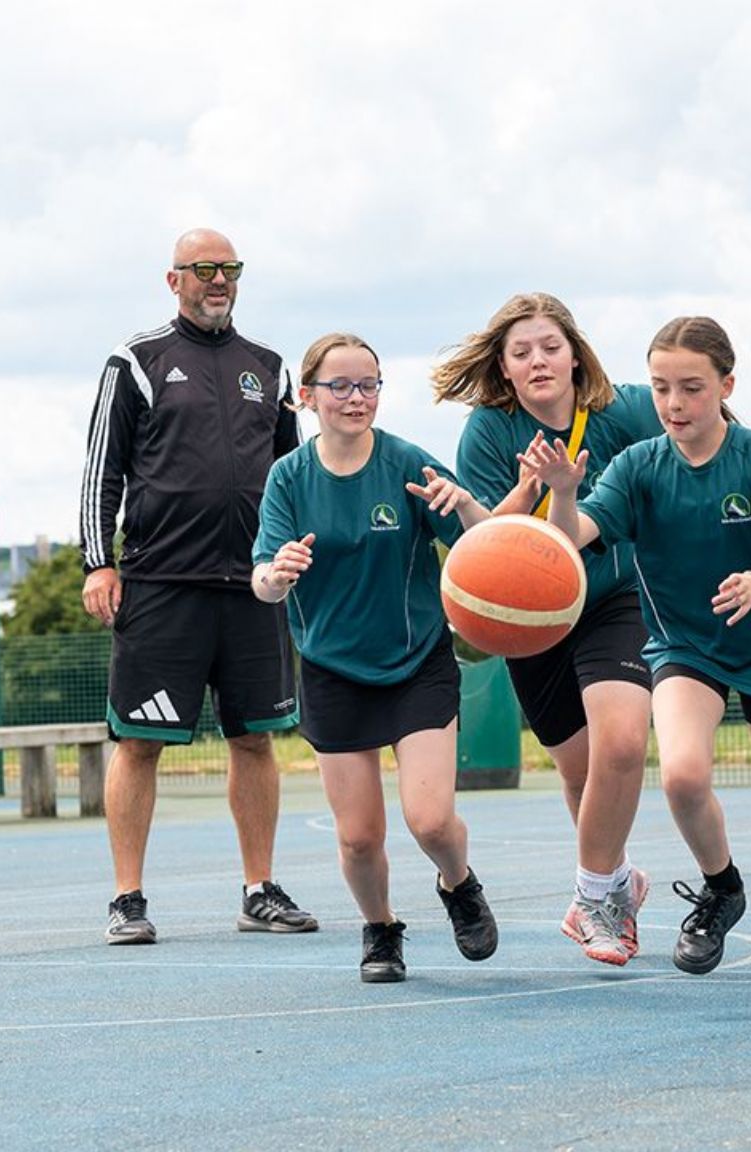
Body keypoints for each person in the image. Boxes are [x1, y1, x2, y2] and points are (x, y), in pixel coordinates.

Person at [526, 316, 751, 1004]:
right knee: (680, 776)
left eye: (691, 388)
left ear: (726, 386)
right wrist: (561, 491)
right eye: (661, 387)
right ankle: (722, 886)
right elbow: (569, 539)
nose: (674, 404)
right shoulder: (639, 466)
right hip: (683, 647)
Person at [79, 228, 314, 945]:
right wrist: (97, 562)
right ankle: (127, 898)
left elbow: (292, 476)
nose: (218, 280)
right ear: (173, 279)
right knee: (137, 743)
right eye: (204, 268)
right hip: (160, 585)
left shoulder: (268, 367)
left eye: (229, 268)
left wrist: (294, 560)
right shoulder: (136, 360)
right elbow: (101, 469)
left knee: (255, 740)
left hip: (252, 588)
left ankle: (259, 889)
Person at [254, 332, 499, 983]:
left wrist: (465, 505)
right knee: (358, 837)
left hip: (416, 663)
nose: (356, 397)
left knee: (431, 820)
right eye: (339, 386)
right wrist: (277, 574)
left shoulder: (407, 462)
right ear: (307, 397)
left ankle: (458, 883)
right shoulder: (289, 478)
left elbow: (487, 545)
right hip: (333, 671)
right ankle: (382, 928)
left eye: (368, 384)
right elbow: (263, 579)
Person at [431, 293, 661, 967]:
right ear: (503, 367)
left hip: (615, 597)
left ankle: (591, 897)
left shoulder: (628, 411)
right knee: (581, 770)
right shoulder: (488, 431)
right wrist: (531, 486)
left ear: (575, 355)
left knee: (622, 745)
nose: (538, 361)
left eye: (550, 347)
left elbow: (701, 437)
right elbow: (484, 541)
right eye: (522, 352)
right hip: (529, 614)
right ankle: (617, 881)